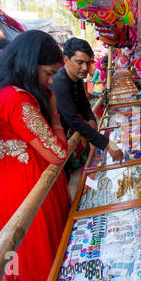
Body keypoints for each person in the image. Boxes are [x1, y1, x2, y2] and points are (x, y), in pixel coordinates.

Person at [0, 30, 70, 281]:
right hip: (31, 181)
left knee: (15, 243)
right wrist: (54, 110)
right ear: (29, 62)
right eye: (48, 73)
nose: (48, 82)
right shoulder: (17, 100)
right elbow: (57, 153)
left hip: (2, 182)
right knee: (41, 245)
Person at [50, 37, 124, 177]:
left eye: (88, 62)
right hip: (55, 142)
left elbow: (84, 105)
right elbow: (73, 120)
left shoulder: (77, 79)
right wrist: (106, 143)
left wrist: (91, 119)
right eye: (80, 62)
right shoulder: (59, 82)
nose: (85, 68)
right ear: (66, 59)